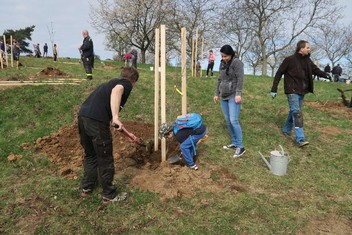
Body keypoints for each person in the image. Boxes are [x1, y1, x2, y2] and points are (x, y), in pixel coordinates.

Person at [78, 66, 139, 204]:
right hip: (96, 121)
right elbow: (117, 91)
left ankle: (87, 187)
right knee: (105, 158)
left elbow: (111, 117)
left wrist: (128, 133)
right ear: (134, 81)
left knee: (91, 155)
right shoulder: (125, 83)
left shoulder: (110, 83)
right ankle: (109, 195)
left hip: (83, 117)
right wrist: (116, 117)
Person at [270, 40, 331, 147]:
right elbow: (279, 73)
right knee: (297, 113)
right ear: (301, 48)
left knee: (294, 111)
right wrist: (274, 89)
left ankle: (286, 130)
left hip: (302, 91)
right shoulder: (289, 60)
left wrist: (325, 74)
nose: (309, 49)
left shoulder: (307, 60)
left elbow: (315, 70)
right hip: (291, 90)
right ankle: (300, 139)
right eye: (307, 47)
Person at [213, 45, 245, 158]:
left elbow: (240, 78)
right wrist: (216, 93)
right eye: (222, 56)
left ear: (231, 54)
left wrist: (238, 94)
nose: (223, 58)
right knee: (228, 121)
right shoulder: (222, 63)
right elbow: (219, 79)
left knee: (233, 120)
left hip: (233, 95)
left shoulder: (237, 63)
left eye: (225, 56)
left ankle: (240, 146)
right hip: (224, 96)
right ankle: (234, 142)